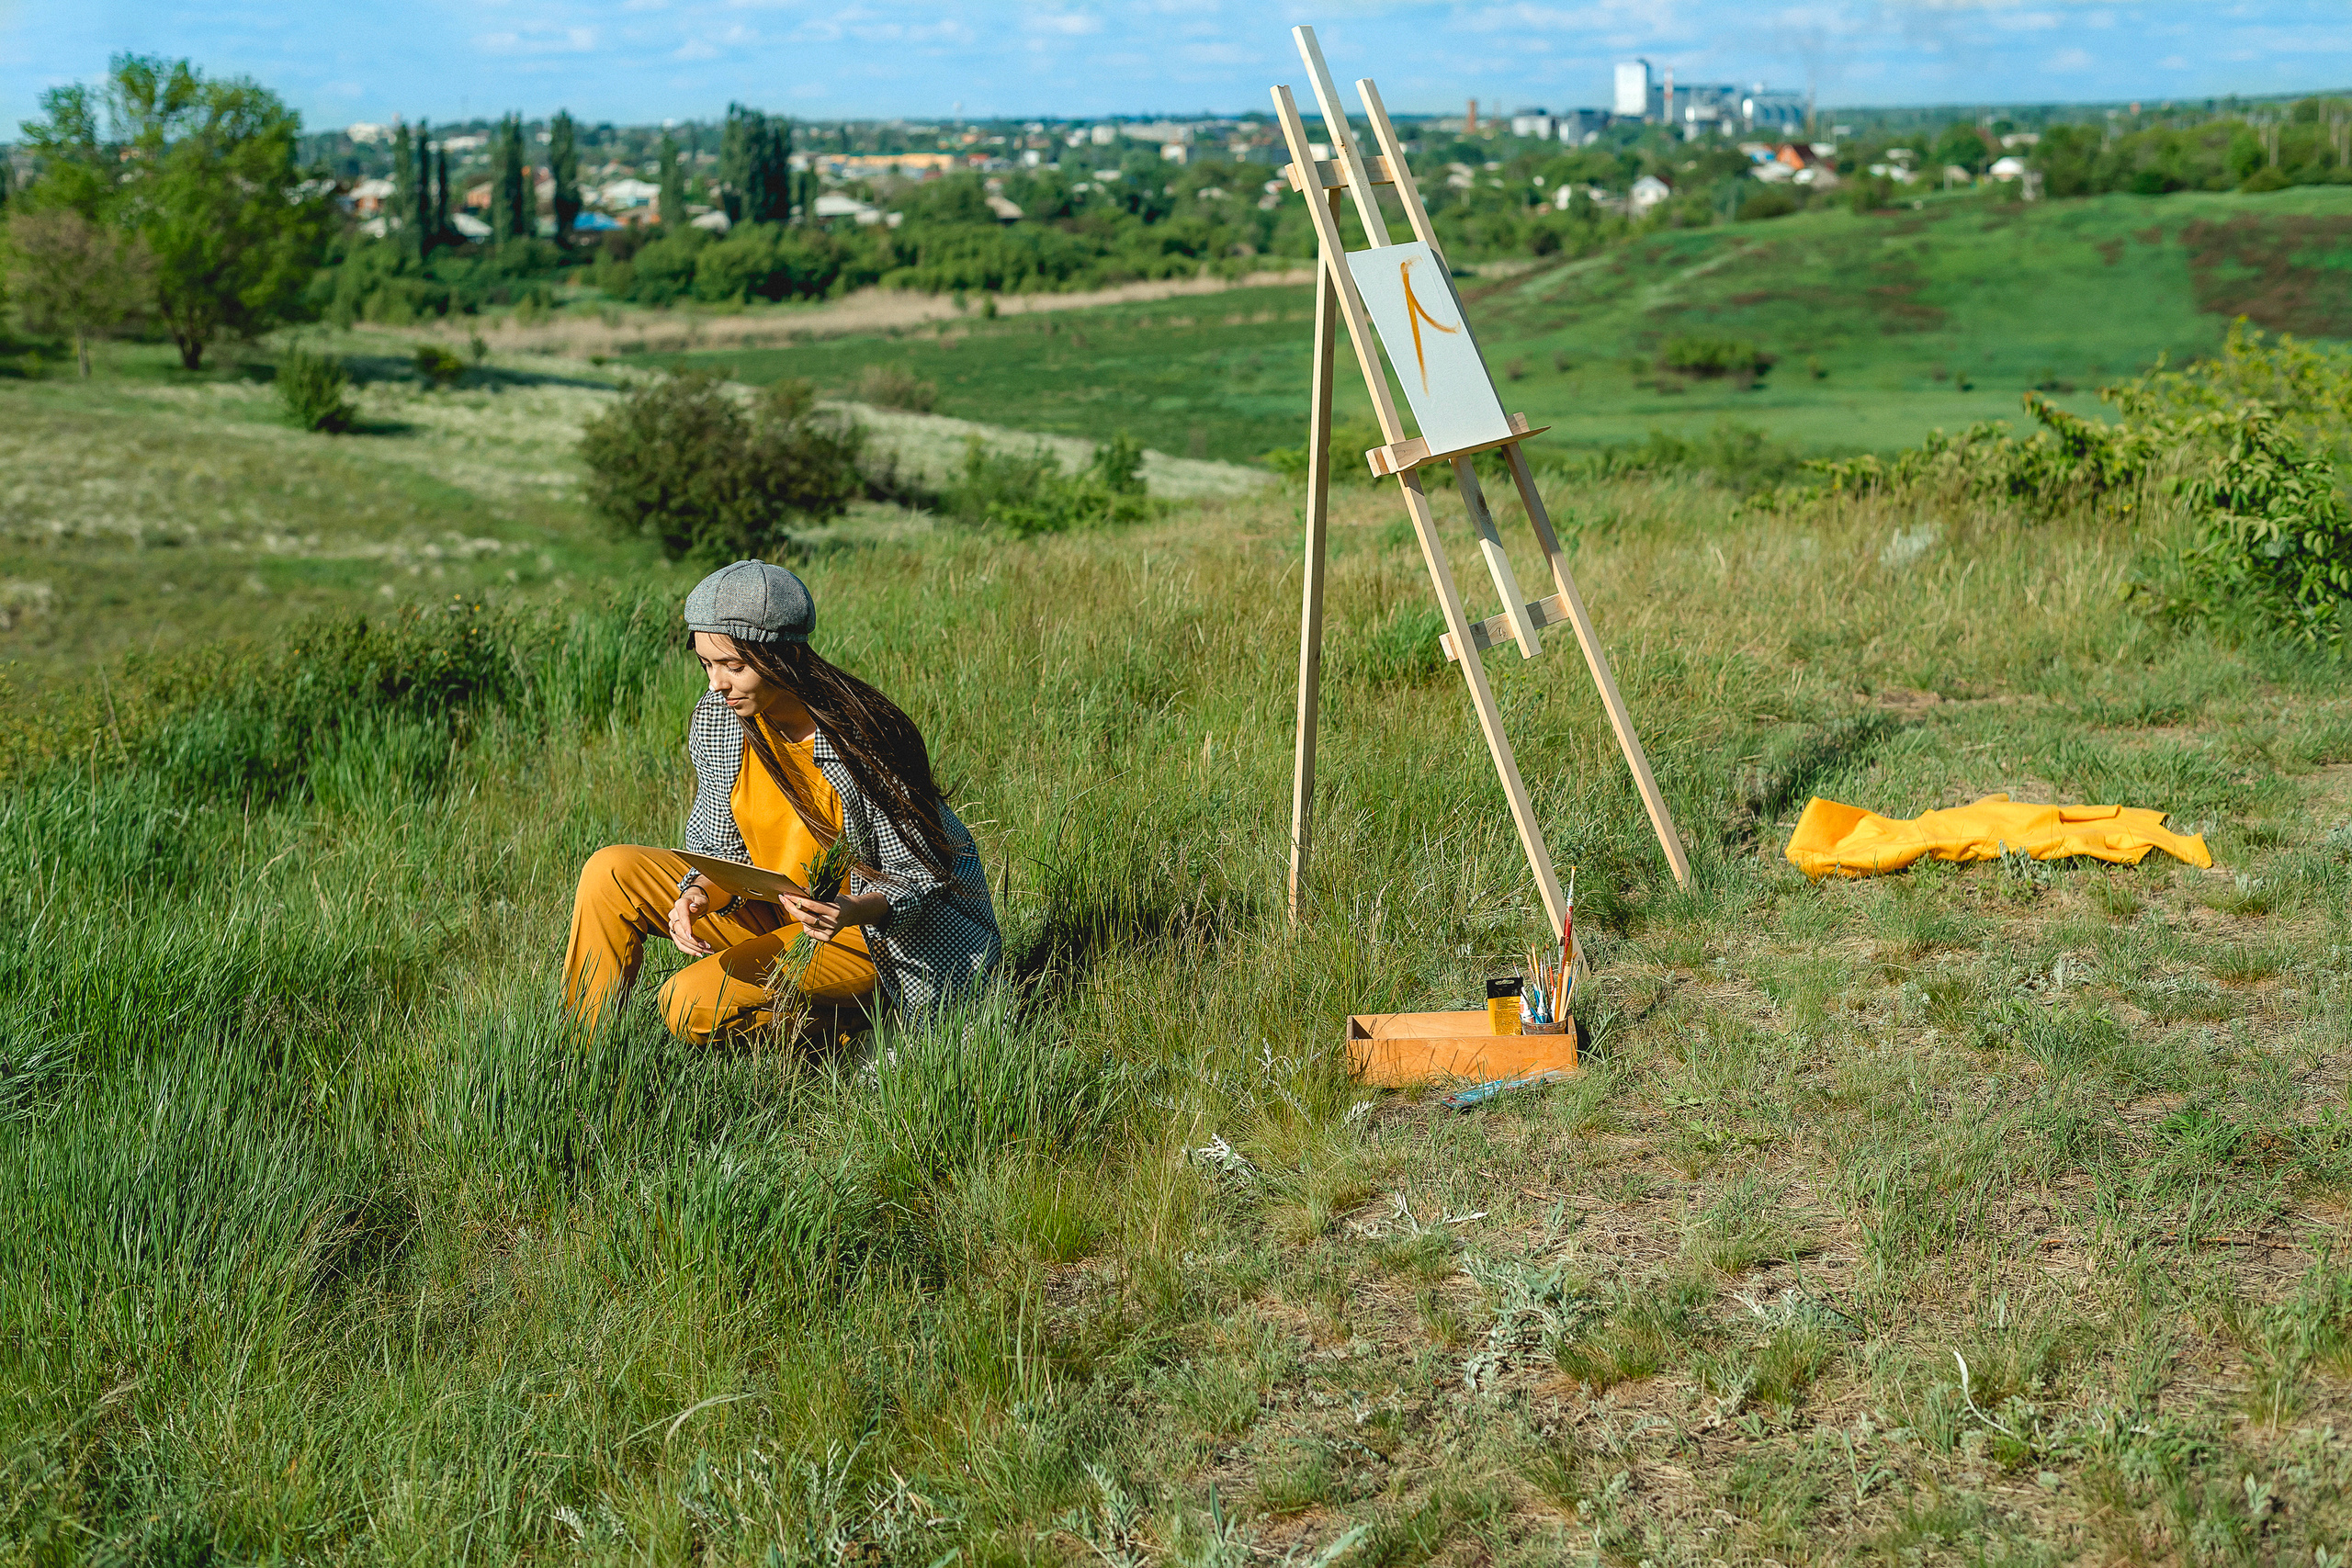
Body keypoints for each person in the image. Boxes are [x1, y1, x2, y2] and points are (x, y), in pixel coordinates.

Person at [565, 559, 1001, 1041]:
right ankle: (586, 1053)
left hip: (873, 934)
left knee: (685, 1001)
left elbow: (923, 879)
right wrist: (695, 895)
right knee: (609, 872)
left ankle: (861, 1025)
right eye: (707, 663)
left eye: (734, 665)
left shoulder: (867, 739)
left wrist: (851, 910)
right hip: (776, 903)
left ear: (784, 656)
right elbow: (721, 851)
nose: (716, 683)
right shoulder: (720, 718)